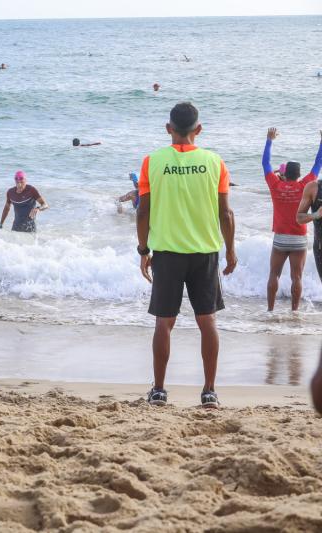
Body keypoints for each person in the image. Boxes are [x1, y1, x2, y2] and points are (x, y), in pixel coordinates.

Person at [136, 102, 236, 409]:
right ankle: (209, 392)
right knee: (208, 321)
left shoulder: (152, 161)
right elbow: (226, 213)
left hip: (167, 253)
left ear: (169, 129)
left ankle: (159, 390)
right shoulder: (215, 162)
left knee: (164, 323)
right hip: (205, 252)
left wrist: (143, 250)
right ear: (198, 129)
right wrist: (231, 250)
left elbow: (143, 212)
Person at [263, 128, 321, 312]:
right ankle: (294, 311)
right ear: (299, 174)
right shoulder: (305, 185)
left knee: (274, 274)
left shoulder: (276, 185)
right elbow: (318, 164)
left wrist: (269, 140)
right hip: (299, 239)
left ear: (285, 173)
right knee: (297, 277)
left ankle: (270, 310)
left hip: (280, 238)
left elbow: (265, 163)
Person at [292, 131, 322, 284]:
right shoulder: (313, 187)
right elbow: (299, 217)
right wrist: (316, 215)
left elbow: (317, 163)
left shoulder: (276, 184)